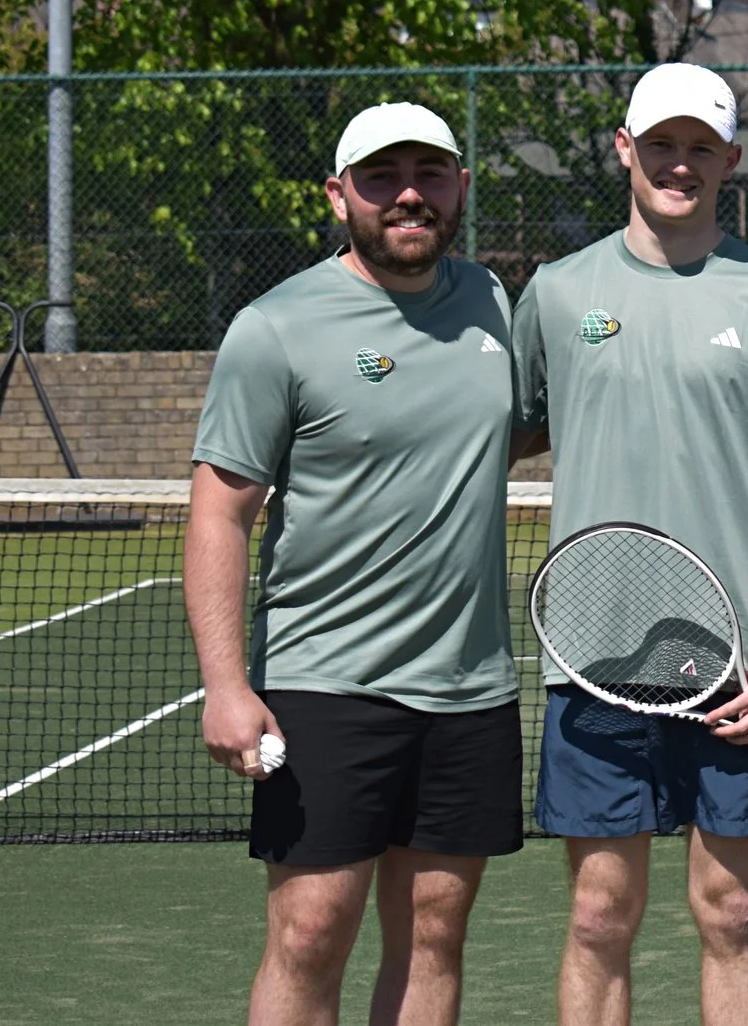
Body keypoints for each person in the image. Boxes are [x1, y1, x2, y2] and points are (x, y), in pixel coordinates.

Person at [512, 62, 748, 1026]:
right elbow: (500, 431)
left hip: (736, 672)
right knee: (596, 919)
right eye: (660, 143)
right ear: (624, 149)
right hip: (590, 659)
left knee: (735, 914)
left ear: (732, 161)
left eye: (700, 146)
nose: (679, 163)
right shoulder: (554, 292)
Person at [185, 101, 521, 1026]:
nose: (409, 193)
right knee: (307, 934)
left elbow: (518, 426)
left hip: (469, 691)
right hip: (324, 684)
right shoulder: (275, 326)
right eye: (382, 176)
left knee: (434, 935)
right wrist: (225, 683)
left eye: (430, 172)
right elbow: (221, 508)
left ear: (459, 186)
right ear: (339, 196)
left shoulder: (494, 303)